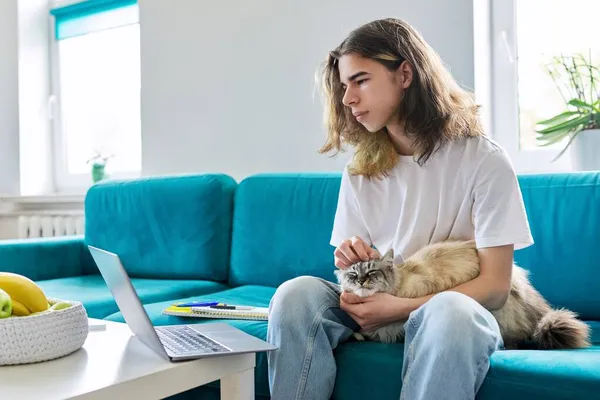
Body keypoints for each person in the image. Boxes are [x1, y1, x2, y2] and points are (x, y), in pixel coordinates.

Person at [266, 18, 533, 400]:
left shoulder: (483, 160)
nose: (347, 99)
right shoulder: (360, 171)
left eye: (360, 81)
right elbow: (352, 269)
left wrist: (400, 307)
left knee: (451, 314)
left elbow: (494, 288)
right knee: (294, 295)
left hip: (449, 307)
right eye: (344, 86)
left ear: (404, 74)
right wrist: (351, 259)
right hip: (385, 297)